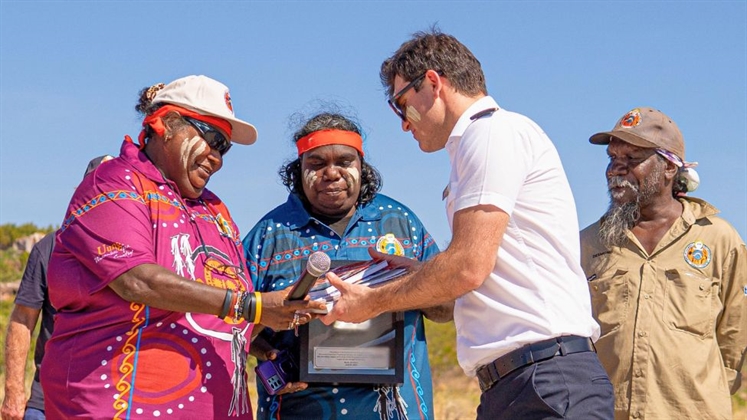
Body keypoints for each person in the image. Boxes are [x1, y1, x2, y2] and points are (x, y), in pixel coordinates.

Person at [321, 29, 614, 419]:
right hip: (522, 381)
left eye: (401, 105)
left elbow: (467, 267)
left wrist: (369, 301)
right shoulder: (483, 141)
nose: (404, 124)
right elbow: (484, 271)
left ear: (431, 83)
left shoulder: (490, 133)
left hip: (545, 378)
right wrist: (421, 274)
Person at [41, 75, 324, 419]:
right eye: (213, 139)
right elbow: (137, 280)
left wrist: (252, 339)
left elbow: (215, 307)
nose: (218, 158)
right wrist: (251, 307)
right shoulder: (113, 183)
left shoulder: (214, 209)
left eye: (225, 148)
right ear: (167, 124)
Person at [242, 111, 453, 420]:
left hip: (395, 411)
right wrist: (267, 352)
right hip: (299, 410)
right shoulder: (269, 235)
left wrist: (413, 280)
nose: (331, 173)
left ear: (361, 167)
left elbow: (447, 309)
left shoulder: (400, 223)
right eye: (316, 164)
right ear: (298, 171)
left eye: (343, 161)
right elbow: (231, 325)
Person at [580, 106, 747, 419]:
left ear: (669, 168)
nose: (616, 169)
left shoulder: (718, 239)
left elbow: (734, 336)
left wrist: (701, 394)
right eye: (612, 158)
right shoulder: (587, 244)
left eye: (632, 159)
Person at [2, 155, 112, 420]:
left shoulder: (140, 255)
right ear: (80, 192)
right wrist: (13, 392)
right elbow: (22, 320)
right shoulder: (48, 248)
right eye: (97, 187)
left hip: (112, 402)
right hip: (47, 402)